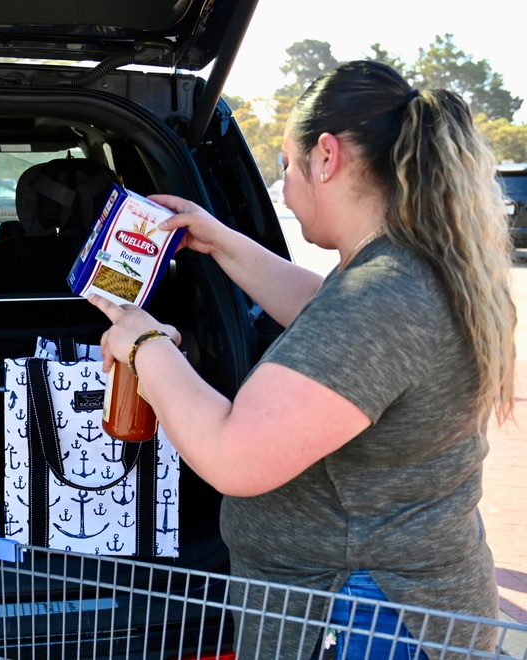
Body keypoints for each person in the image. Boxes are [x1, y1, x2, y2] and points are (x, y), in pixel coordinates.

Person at [91, 60, 515, 658]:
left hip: (365, 618)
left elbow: (234, 456)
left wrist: (143, 344)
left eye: (286, 165)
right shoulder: (401, 271)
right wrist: (219, 240)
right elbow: (329, 322)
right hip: (385, 601)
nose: (285, 187)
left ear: (326, 156)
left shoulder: (382, 297)